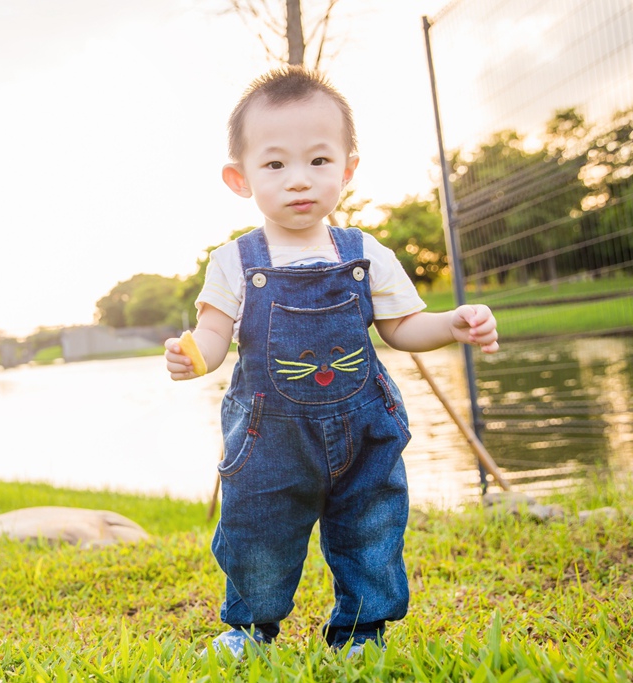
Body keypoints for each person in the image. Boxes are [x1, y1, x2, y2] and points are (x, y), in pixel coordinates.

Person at [164, 65, 499, 659]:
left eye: (319, 161)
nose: (300, 180)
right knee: (257, 536)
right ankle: (251, 630)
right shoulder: (235, 261)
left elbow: (401, 328)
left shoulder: (365, 253)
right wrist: (194, 355)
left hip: (363, 429)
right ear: (240, 179)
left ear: (348, 168)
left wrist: (451, 325)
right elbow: (214, 334)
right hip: (267, 438)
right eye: (275, 164)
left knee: (371, 530)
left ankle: (362, 633)